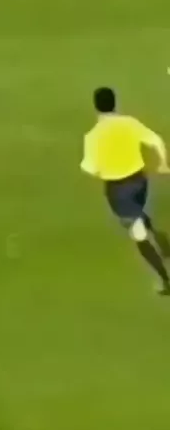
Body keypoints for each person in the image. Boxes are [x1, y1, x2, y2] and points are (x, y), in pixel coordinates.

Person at [81, 87, 170, 295]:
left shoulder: (93, 136)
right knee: (138, 214)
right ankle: (161, 240)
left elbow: (91, 168)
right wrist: (163, 164)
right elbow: (156, 140)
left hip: (118, 190)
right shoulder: (129, 123)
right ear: (115, 103)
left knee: (138, 234)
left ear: (96, 107)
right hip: (140, 182)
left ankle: (165, 281)